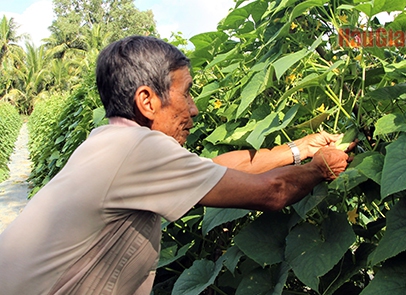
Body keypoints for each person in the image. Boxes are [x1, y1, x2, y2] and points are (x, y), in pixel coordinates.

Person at [0, 36, 352, 295]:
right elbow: (272, 192)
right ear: (147, 101)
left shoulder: (111, 142)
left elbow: (212, 168)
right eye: (186, 93)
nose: (194, 108)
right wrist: (320, 169)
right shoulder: (138, 148)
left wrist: (297, 149)